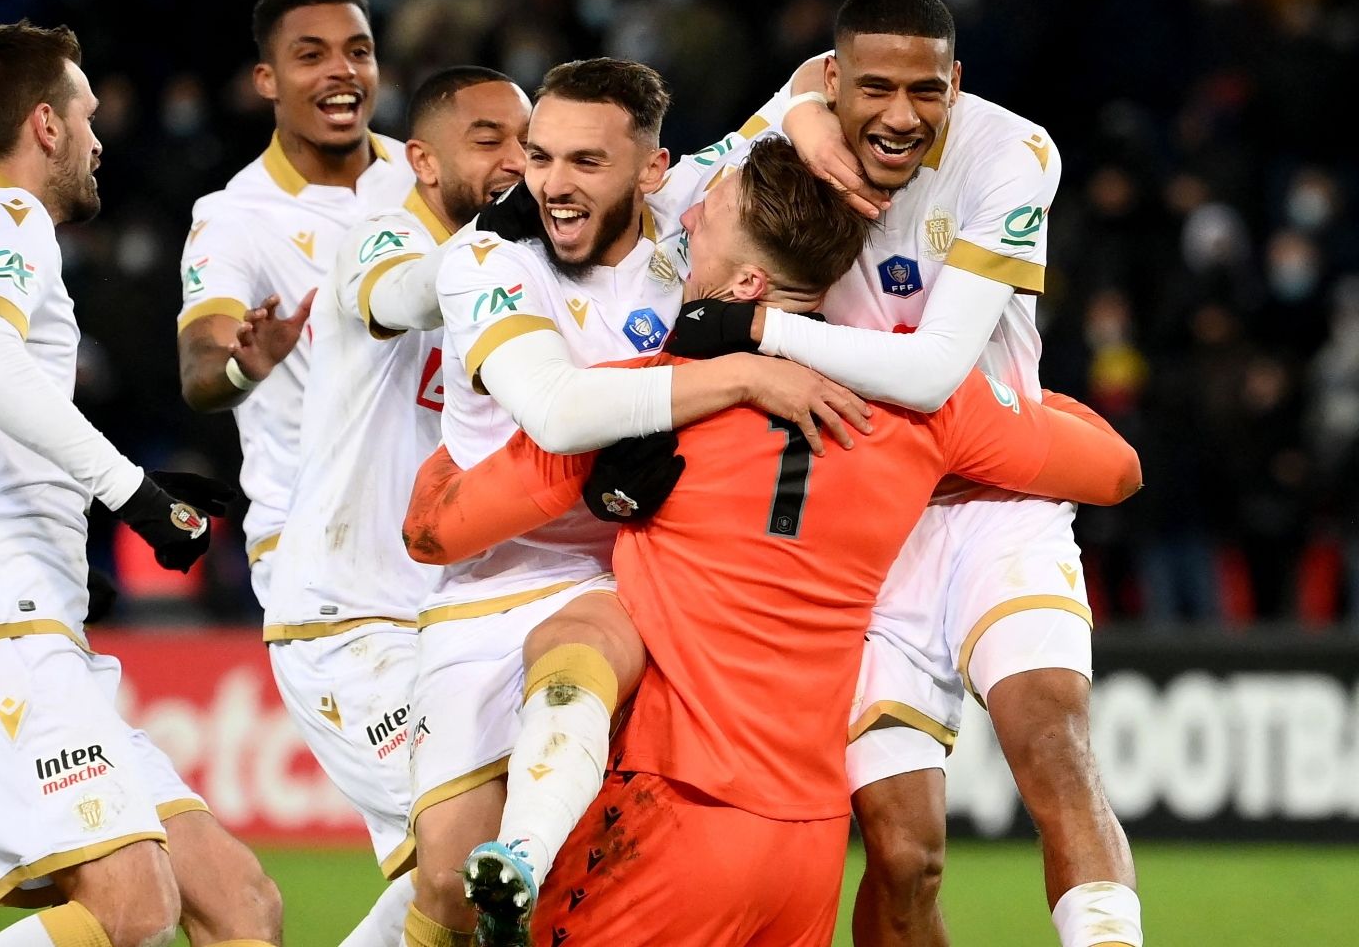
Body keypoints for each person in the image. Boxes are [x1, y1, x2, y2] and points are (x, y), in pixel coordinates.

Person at [402, 134, 1143, 947]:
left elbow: (437, 532)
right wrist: (1007, 402)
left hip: (668, 817)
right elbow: (1114, 470)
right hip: (806, 849)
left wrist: (458, 439)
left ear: (749, 283)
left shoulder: (641, 403)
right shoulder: (926, 406)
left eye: (707, 215)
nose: (686, 220)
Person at [403, 59, 869, 947]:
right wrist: (743, 374)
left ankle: (535, 856)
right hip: (491, 584)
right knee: (445, 886)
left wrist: (811, 116)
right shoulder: (485, 259)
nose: (550, 184)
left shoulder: (698, 206)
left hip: (636, 583)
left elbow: (816, 80)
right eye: (541, 156)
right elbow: (555, 412)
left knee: (597, 887)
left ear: (654, 171)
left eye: (586, 161)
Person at [726, 0, 1142, 947]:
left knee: (1054, 747)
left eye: (925, 91)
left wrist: (759, 333)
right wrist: (789, 112)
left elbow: (938, 371)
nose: (901, 116)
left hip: (1003, 501)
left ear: (955, 83)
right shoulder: (778, 144)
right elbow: (663, 186)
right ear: (834, 81)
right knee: (902, 851)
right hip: (867, 527)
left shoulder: (1014, 153)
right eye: (875, 89)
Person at [0, 19, 282, 947]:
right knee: (132, 911)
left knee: (241, 906)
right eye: (87, 116)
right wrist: (131, 493)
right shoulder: (7, 217)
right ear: (45, 125)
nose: (99, 140)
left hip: (14, 618)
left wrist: (62, 535)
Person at [268, 65, 529, 946]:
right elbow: (403, 296)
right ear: (422, 160)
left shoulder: (521, 272)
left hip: (447, 622)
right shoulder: (383, 238)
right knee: (473, 863)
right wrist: (502, 237)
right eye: (488, 140)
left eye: (527, 142)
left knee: (464, 875)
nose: (516, 160)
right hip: (348, 621)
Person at [174, 0, 415, 610]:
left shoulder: (427, 178)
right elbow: (200, 367)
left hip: (443, 532)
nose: (343, 70)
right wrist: (242, 366)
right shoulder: (235, 216)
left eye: (358, 51)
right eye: (311, 56)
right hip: (317, 547)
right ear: (267, 80)